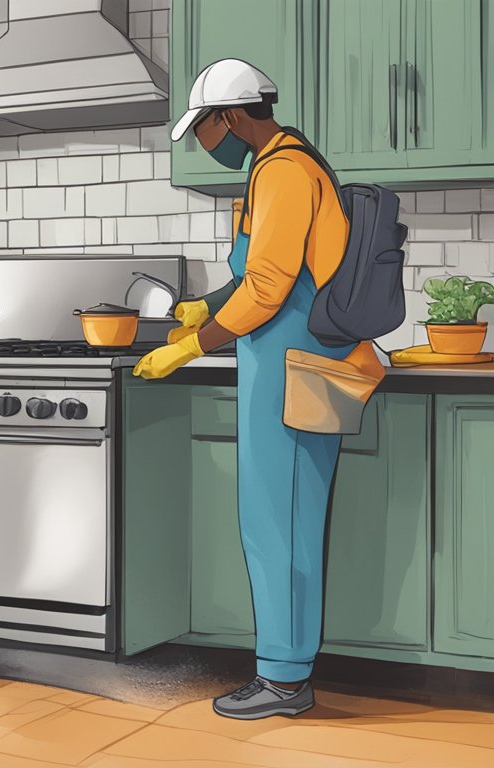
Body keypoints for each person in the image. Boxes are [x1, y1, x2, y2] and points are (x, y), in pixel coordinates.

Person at [133, 58, 354, 720]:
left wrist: (188, 347)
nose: (205, 143)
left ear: (230, 117)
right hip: (289, 368)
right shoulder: (276, 166)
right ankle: (285, 673)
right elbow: (257, 272)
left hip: (297, 374)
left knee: (278, 527)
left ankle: (284, 682)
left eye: (203, 128)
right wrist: (205, 305)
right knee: (280, 523)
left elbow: (269, 288)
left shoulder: (284, 171)